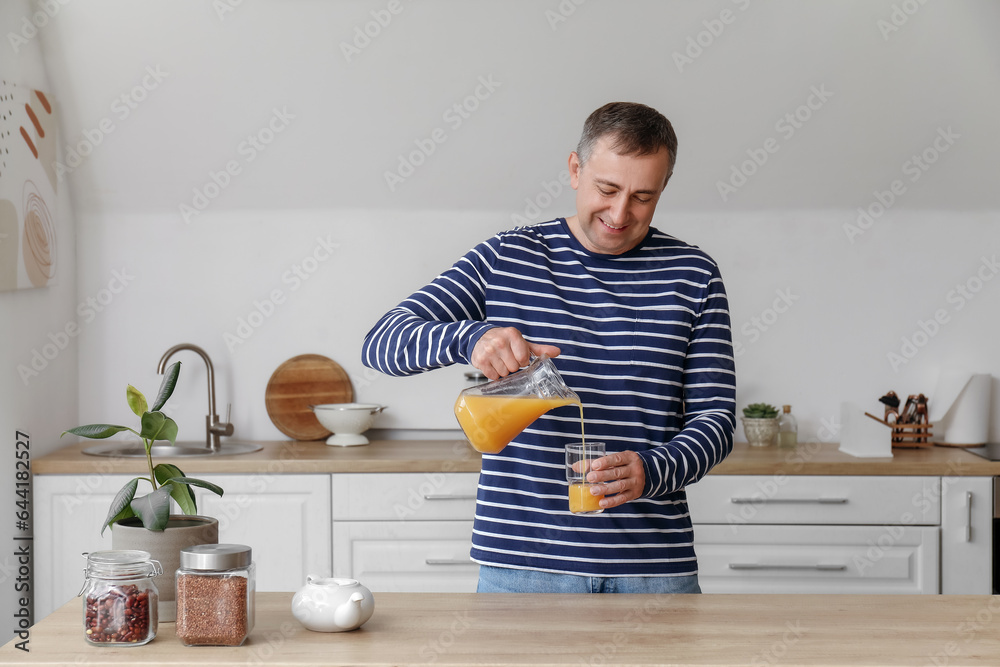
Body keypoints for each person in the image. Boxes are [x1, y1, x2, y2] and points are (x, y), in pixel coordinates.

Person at [362, 102, 736, 594]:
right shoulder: (508, 257)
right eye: (607, 189)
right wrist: (470, 338)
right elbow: (383, 341)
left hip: (653, 569)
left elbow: (716, 422)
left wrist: (653, 471)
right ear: (575, 169)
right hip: (521, 569)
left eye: (643, 196)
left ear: (663, 188)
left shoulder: (693, 275)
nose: (620, 214)